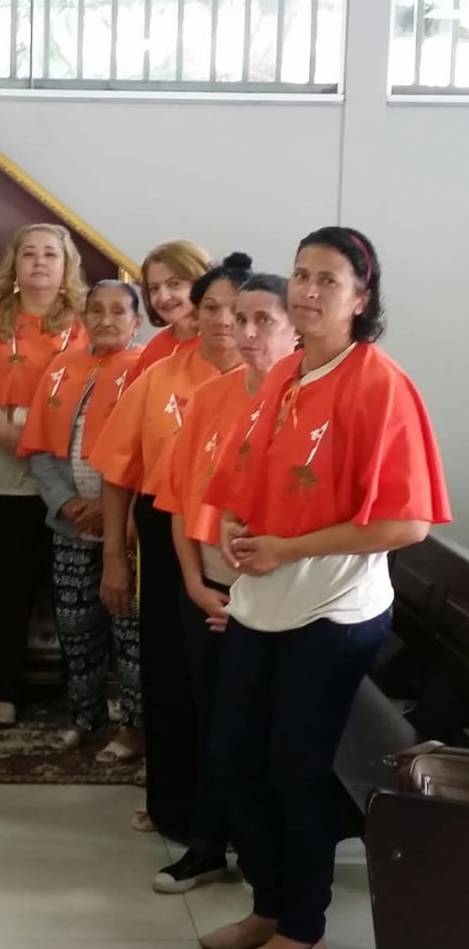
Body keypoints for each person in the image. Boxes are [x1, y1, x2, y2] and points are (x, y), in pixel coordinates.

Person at [199, 227, 451, 949]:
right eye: (301, 274)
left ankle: (304, 928)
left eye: (329, 280)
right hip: (264, 602)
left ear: (361, 298)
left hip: (333, 611)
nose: (308, 290)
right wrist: (239, 524)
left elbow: (407, 523)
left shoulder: (379, 384)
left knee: (296, 772)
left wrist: (288, 549)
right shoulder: (287, 372)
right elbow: (251, 477)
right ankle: (270, 904)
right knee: (233, 760)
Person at [89, 252, 253, 840]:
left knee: (236, 686)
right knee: (169, 674)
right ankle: (174, 807)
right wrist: (114, 556)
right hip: (165, 535)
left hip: (244, 543)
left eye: (237, 310)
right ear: (194, 313)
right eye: (211, 308)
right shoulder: (160, 376)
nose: (224, 321)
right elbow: (118, 472)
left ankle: (234, 818)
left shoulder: (273, 380)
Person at [152, 273, 297, 893]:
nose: (246, 332)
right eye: (240, 319)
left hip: (280, 600)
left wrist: (250, 602)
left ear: (295, 329)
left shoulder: (306, 401)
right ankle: (208, 843)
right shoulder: (213, 396)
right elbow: (179, 499)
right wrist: (192, 583)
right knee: (213, 722)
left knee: (265, 729)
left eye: (264, 320)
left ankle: (272, 857)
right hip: (210, 587)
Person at [0, 223, 89, 727]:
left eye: (50, 253)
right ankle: (5, 692)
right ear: (15, 264)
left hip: (69, 473)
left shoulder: (84, 324)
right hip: (1, 468)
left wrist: (48, 444)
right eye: (29, 253)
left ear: (66, 265)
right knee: (2, 588)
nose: (40, 262)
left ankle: (83, 695)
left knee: (73, 589)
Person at [19, 280, 144, 761]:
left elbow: (153, 453)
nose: (106, 320)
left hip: (128, 528)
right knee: (75, 628)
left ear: (136, 321)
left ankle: (133, 727)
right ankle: (84, 717)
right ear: (84, 318)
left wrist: (112, 510)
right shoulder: (61, 368)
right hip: (71, 525)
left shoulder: (149, 369)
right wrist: (69, 504)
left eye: (118, 311)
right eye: (96, 311)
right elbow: (41, 449)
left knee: (130, 632)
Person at [128, 239, 212, 381]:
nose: (163, 297)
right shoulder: (156, 345)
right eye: (154, 288)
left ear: (200, 284)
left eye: (174, 284)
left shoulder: (219, 346)